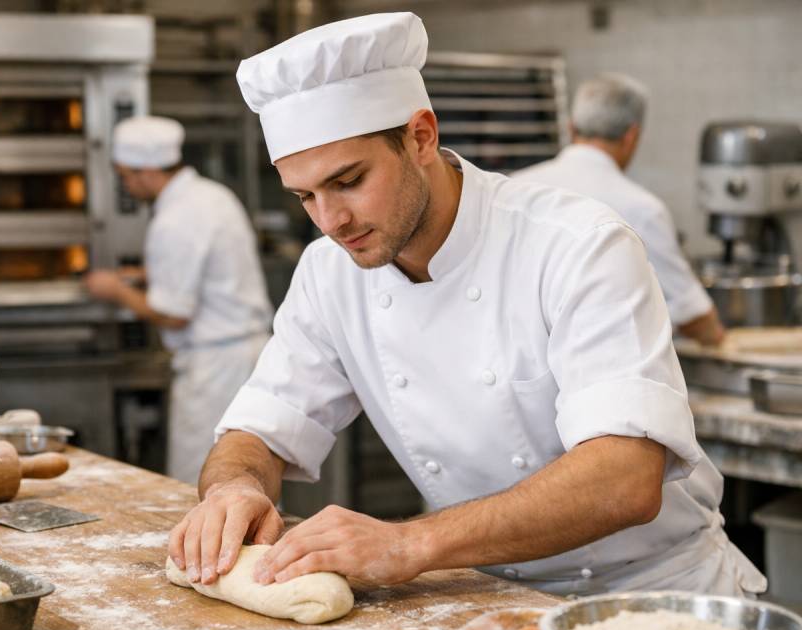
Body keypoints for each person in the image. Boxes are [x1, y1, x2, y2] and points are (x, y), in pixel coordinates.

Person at [168, 13, 765, 597]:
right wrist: (235, 487)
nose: (331, 221)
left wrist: (409, 544)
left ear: (421, 137)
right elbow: (260, 426)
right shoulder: (329, 274)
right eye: (305, 196)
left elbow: (625, 479)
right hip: (487, 597)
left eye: (348, 182)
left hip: (657, 595)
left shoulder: (577, 245)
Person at [85, 116, 272, 484]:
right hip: (250, 356)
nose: (126, 186)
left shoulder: (173, 220)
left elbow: (173, 314)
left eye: (125, 177)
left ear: (146, 171)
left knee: (203, 481)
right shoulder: (212, 195)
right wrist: (146, 274)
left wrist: (115, 289)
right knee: (252, 478)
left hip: (215, 371)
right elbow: (208, 268)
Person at [513, 73, 725, 346]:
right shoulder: (642, 209)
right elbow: (691, 313)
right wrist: (718, 339)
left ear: (571, 128)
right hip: (598, 362)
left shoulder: (514, 187)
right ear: (631, 136)